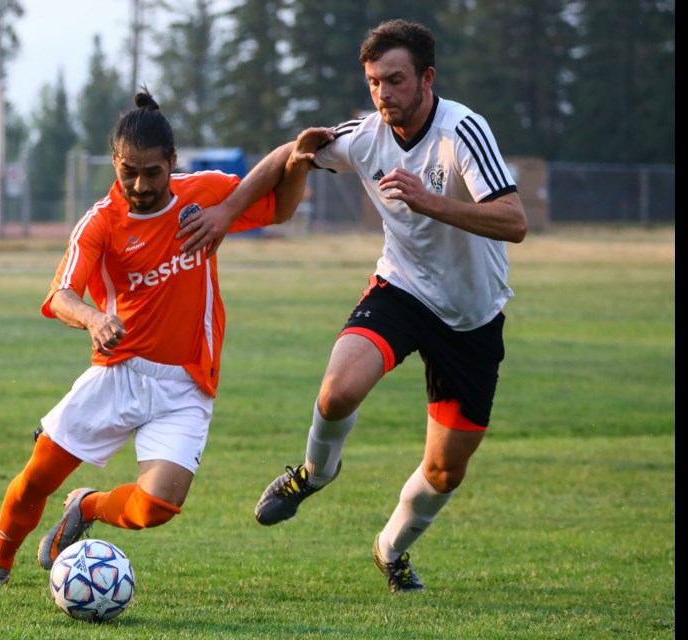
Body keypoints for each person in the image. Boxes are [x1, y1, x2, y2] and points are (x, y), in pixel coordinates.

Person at [178, 19, 527, 594]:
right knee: (336, 391)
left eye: (395, 80)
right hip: (402, 290)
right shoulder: (365, 134)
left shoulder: (463, 131)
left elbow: (514, 222)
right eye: (373, 82)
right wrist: (227, 211)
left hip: (472, 318)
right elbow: (293, 152)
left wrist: (429, 202)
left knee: (445, 470)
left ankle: (391, 550)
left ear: (427, 78)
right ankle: (314, 473)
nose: (383, 94)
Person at [0, 88, 334, 590]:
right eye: (127, 171)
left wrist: (300, 162)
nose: (139, 184)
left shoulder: (204, 194)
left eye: (152, 172)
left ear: (172, 162)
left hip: (186, 382)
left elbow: (278, 208)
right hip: (119, 372)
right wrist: (93, 320)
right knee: (38, 476)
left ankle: (86, 504)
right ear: (114, 162)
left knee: (157, 506)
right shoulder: (101, 223)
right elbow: (61, 294)